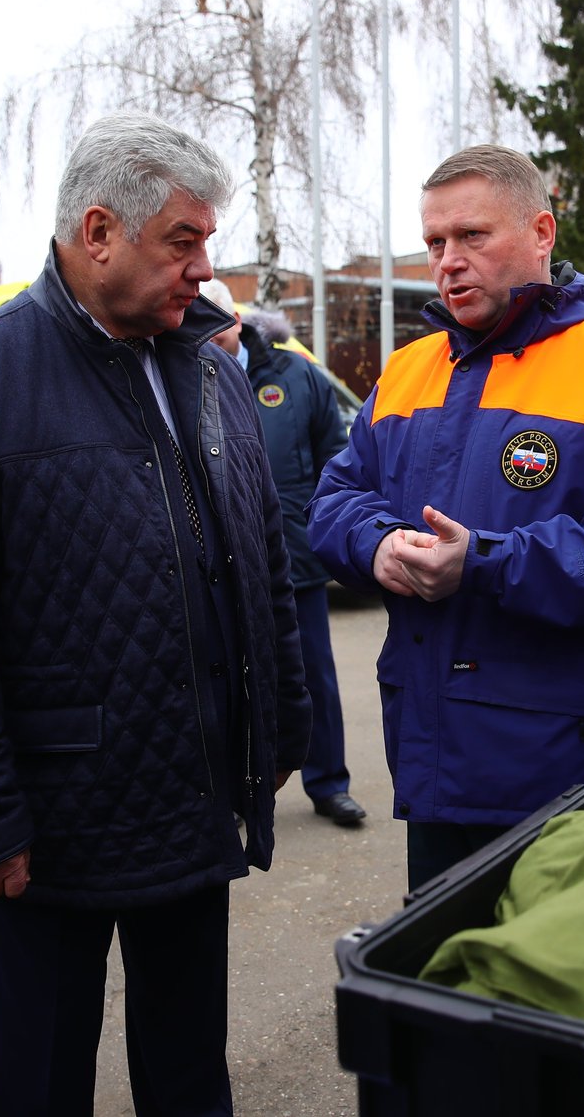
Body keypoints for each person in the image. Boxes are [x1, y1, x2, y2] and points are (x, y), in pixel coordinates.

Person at [0, 112, 311, 1117]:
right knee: (38, 1084)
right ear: (100, 231)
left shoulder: (209, 370)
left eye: (208, 240)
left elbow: (256, 555)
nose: (208, 269)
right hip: (45, 836)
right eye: (184, 241)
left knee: (188, 1077)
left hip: (192, 803)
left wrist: (280, 723)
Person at [308, 144, 584, 890]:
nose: (448, 261)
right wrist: (379, 545)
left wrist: (485, 562)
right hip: (432, 754)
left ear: (542, 233)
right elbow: (332, 501)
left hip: (564, 765)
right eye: (434, 243)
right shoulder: (408, 369)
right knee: (438, 978)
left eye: (472, 237)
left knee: (550, 983)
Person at [197, 282, 366, 826]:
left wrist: (319, 523)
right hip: (214, 566)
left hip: (293, 553)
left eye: (212, 315)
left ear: (237, 317)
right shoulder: (182, 373)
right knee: (226, 679)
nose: (201, 325)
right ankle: (236, 790)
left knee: (311, 673)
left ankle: (328, 782)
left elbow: (338, 459)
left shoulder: (296, 376)